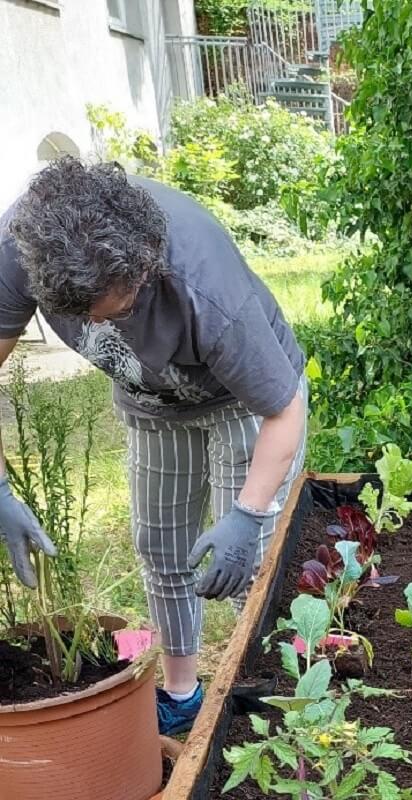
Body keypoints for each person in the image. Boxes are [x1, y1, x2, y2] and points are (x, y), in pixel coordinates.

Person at [0, 158, 308, 736]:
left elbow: (283, 410)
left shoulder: (206, 287)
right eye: (89, 316)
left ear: (144, 259)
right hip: (153, 407)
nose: (108, 324)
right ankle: (183, 694)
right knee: (161, 549)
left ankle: (284, 709)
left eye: (123, 308)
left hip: (244, 402)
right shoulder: (18, 248)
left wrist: (246, 516)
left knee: (254, 570)